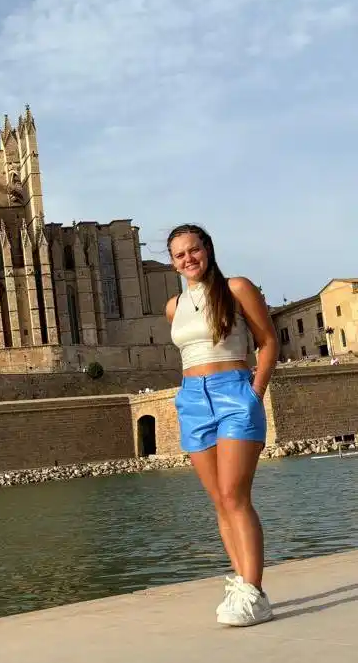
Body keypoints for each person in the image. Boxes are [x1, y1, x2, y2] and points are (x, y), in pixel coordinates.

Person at [165, 223, 278, 627]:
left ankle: (253, 591)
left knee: (235, 495)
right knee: (219, 500)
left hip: (234, 391)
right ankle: (244, 587)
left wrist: (256, 390)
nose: (188, 259)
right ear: (173, 262)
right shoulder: (174, 306)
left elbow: (268, 342)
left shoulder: (236, 288)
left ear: (207, 250)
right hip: (192, 399)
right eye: (179, 255)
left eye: (193, 250)